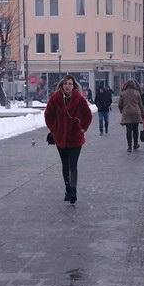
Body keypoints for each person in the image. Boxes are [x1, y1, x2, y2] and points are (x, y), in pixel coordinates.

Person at [44, 74, 92, 204]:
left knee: (73, 165)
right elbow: (48, 115)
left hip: (75, 138)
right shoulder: (55, 98)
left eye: (70, 84)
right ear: (61, 85)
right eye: (65, 84)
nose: (67, 86)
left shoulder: (79, 99)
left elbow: (87, 115)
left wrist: (83, 128)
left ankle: (73, 191)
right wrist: (54, 129)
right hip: (60, 138)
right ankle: (67, 189)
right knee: (65, 165)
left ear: (74, 86)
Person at [119, 80, 144, 151]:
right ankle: (135, 144)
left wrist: (122, 111)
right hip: (136, 112)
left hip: (127, 113)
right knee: (136, 129)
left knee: (128, 130)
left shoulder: (123, 93)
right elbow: (140, 104)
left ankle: (129, 146)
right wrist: (142, 113)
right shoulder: (137, 93)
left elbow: (119, 104)